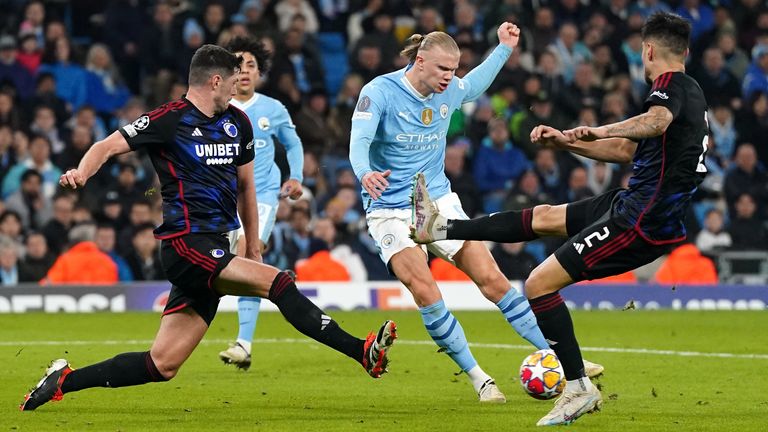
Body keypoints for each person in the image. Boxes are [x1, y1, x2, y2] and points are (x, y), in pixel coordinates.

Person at [20, 44, 396, 411]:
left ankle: (63, 380)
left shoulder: (238, 123)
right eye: (234, 81)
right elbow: (105, 146)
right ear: (215, 81)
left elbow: (246, 187)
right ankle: (362, 352)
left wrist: (253, 248)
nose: (239, 88)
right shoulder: (168, 119)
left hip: (216, 247)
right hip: (186, 244)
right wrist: (81, 173)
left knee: (161, 365)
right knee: (279, 284)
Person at [411, 13, 707, 425]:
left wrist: (597, 129)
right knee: (544, 217)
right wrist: (566, 140)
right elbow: (627, 152)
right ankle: (439, 228)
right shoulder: (690, 92)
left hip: (641, 220)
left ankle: (578, 387)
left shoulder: (668, 90)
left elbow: (654, 122)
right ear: (686, 51)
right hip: (633, 203)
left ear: (648, 50)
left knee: (538, 283)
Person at [349, 23, 602, 403]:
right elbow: (360, 142)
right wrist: (365, 172)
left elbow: (475, 85)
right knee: (426, 290)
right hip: (389, 210)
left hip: (437, 202)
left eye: (453, 70)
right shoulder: (379, 92)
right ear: (420, 62)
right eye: (442, 70)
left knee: (493, 280)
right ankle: (479, 378)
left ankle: (561, 359)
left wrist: (503, 49)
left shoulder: (449, 89)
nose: (449, 79)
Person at [216, 36, 306, 371]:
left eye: (251, 65)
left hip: (262, 195)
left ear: (259, 73)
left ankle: (243, 342)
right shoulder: (215, 108)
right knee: (236, 262)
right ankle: (275, 279)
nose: (244, 71)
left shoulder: (272, 109)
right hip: (222, 197)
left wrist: (294, 176)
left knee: (248, 251)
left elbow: (293, 144)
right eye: (237, 65)